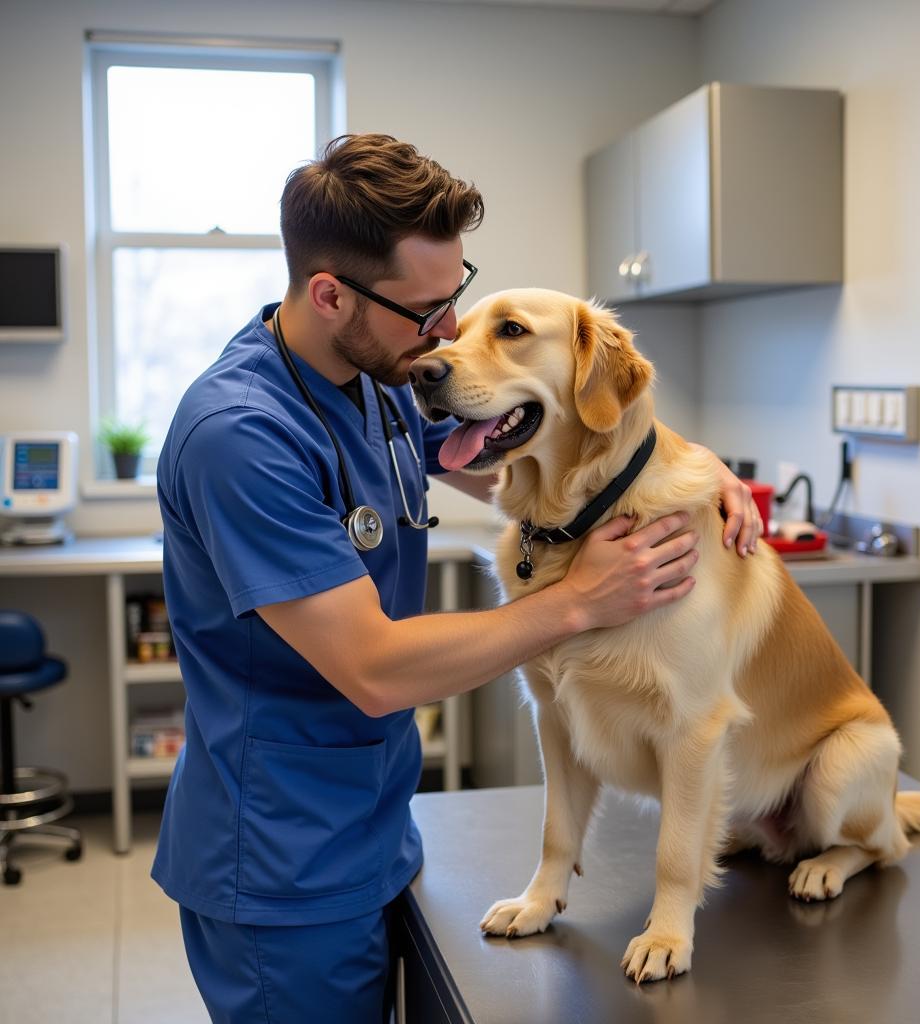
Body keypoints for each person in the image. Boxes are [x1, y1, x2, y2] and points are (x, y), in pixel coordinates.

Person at [151, 133, 762, 1023]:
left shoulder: (381, 378)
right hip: (281, 861)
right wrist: (579, 599)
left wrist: (697, 471)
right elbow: (373, 668)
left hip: (373, 825)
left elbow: (538, 459)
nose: (445, 336)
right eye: (426, 309)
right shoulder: (242, 434)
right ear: (330, 294)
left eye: (457, 297)